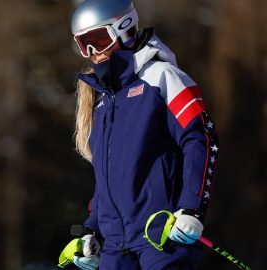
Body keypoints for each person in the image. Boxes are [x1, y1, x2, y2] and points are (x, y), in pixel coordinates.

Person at [58, 0, 219, 269]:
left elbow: (202, 138)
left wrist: (192, 207)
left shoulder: (162, 78)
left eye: (98, 39)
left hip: (160, 239)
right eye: (82, 43)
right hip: (115, 249)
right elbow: (108, 179)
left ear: (124, 28)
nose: (91, 52)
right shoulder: (103, 102)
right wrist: (94, 230)